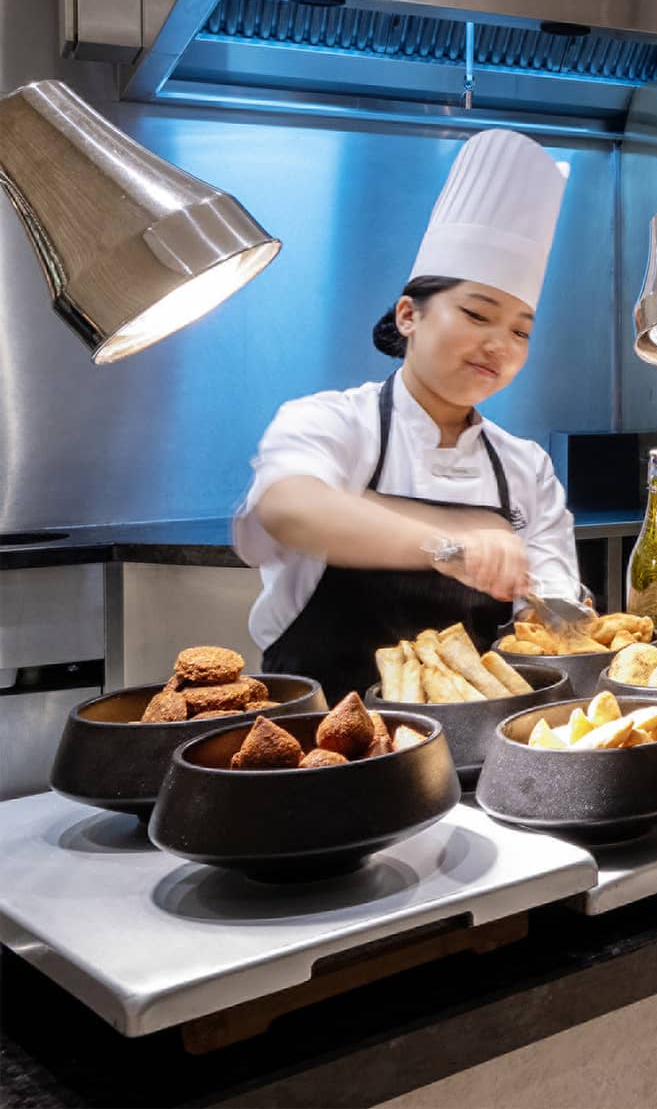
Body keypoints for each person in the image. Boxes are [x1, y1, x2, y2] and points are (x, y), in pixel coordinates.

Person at [234, 130, 579, 701]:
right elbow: (288, 507)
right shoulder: (334, 422)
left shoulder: (526, 466)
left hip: (469, 743)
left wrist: (565, 613)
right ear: (408, 316)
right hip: (317, 738)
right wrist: (451, 548)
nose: (499, 344)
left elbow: (556, 613)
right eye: (476, 313)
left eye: (520, 331)